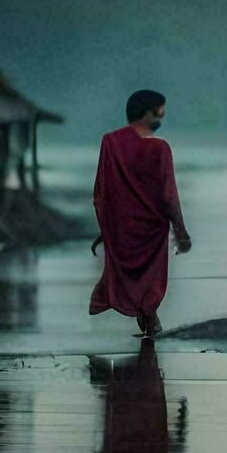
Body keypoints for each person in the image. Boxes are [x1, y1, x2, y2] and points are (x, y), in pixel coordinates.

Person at [89, 89, 191, 337]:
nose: (161, 117)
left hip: (121, 227)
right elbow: (169, 195)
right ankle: (149, 316)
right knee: (151, 279)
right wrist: (181, 231)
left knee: (126, 275)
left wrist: (107, 228)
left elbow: (102, 191)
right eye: (160, 111)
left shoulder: (110, 142)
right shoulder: (160, 148)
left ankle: (148, 318)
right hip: (152, 228)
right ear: (147, 112)